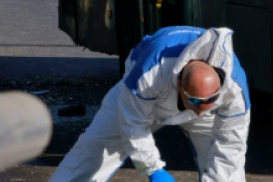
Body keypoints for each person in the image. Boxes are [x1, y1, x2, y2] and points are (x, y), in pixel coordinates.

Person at [50, 26, 251, 182]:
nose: (199, 110)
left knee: (229, 171)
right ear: (179, 84)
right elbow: (133, 124)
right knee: (93, 150)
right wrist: (152, 168)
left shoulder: (235, 89)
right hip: (143, 100)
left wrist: (204, 104)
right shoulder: (151, 72)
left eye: (209, 101)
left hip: (207, 108)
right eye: (195, 101)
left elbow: (232, 145)